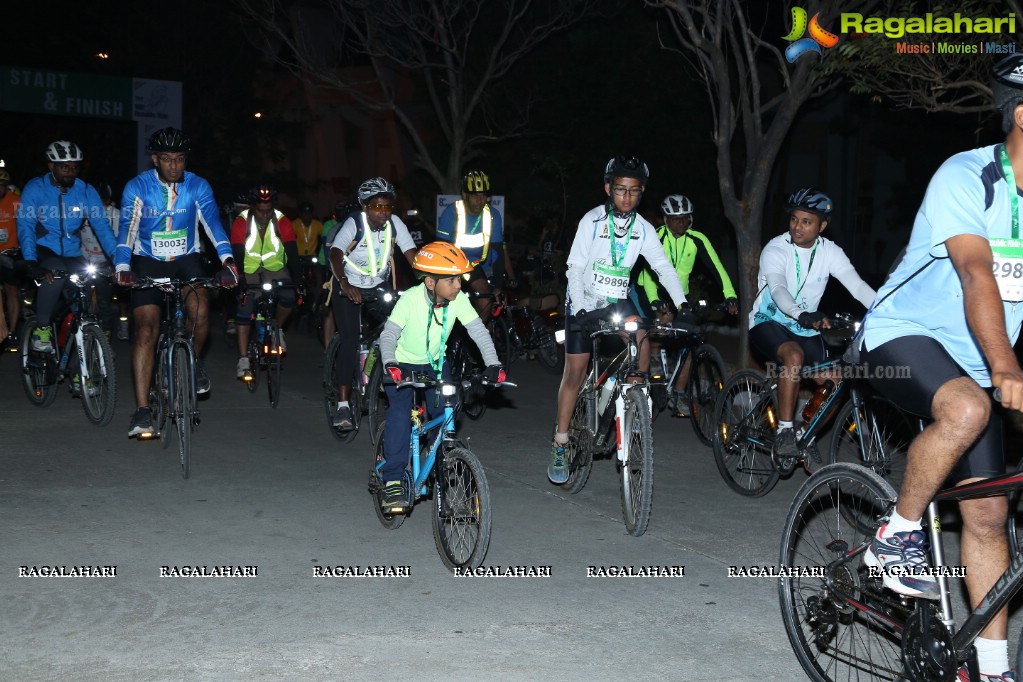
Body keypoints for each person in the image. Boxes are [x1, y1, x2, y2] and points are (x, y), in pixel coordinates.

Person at [856, 55, 1023, 681]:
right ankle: (895, 535)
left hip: (981, 357)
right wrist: (1006, 366)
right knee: (969, 407)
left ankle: (991, 668)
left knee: (988, 515)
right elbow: (976, 272)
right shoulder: (968, 175)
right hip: (903, 335)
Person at [547, 156, 688, 484]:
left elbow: (663, 268)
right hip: (583, 300)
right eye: (621, 190)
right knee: (576, 370)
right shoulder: (592, 221)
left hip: (616, 301)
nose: (626, 197)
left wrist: (683, 303)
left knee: (642, 343)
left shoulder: (643, 229)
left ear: (642, 193)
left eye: (634, 191)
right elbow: (575, 268)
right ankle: (561, 441)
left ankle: (635, 409)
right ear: (609, 188)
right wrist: (581, 309)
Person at [115, 127, 238, 439]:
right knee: (145, 329)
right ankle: (143, 410)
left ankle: (193, 362)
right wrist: (122, 266)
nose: (173, 166)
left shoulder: (198, 186)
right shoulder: (137, 187)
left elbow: (212, 224)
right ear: (155, 159)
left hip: (186, 257)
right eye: (167, 159)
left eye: (179, 160)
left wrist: (227, 261)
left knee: (199, 308)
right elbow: (128, 229)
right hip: (147, 260)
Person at [748, 187, 874, 459]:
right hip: (769, 321)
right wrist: (800, 313)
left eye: (806, 222)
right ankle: (784, 431)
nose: (797, 227)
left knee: (835, 380)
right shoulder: (776, 248)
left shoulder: (831, 252)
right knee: (793, 356)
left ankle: (806, 433)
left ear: (822, 226)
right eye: (794, 219)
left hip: (804, 327)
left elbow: (857, 286)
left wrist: (886, 310)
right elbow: (779, 289)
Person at [377, 242, 504, 510]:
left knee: (447, 413)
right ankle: (393, 480)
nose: (458, 285)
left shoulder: (458, 301)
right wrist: (390, 363)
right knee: (400, 415)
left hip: (434, 364)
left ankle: (439, 461)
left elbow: (478, 332)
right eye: (451, 279)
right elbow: (388, 334)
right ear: (431, 283)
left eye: (460, 278)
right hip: (401, 365)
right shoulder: (410, 299)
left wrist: (493, 364)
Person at [633, 193, 738, 417]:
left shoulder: (697, 238)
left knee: (690, 338)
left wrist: (730, 295)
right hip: (651, 289)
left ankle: (679, 392)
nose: (681, 222)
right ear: (666, 219)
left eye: (685, 218)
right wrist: (654, 301)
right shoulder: (656, 236)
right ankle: (653, 368)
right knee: (662, 326)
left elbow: (716, 267)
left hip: (680, 295)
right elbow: (647, 273)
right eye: (676, 218)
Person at [326, 177, 418, 429]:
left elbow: (412, 255)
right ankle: (343, 406)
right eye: (377, 207)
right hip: (349, 286)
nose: (384, 212)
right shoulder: (354, 223)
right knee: (350, 341)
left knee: (394, 335)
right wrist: (344, 281)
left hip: (378, 286)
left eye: (388, 207)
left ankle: (388, 388)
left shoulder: (395, 224)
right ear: (365, 207)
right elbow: (335, 252)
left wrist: (429, 279)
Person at [17, 141, 117, 353]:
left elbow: (102, 228)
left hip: (73, 252)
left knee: (84, 306)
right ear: (51, 166)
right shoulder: (36, 188)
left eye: (75, 167)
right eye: (65, 167)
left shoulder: (85, 191)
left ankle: (80, 366)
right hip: (44, 249)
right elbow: (25, 225)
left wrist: (120, 261)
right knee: (55, 272)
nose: (71, 172)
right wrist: (30, 260)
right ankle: (42, 329)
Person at [231, 185, 302, 379]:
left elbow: (292, 252)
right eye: (261, 211)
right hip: (249, 269)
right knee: (245, 308)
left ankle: (277, 329)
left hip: (275, 268)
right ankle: (244, 358)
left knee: (288, 296)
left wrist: (298, 280)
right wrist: (241, 278)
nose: (265, 215)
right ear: (253, 208)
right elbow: (237, 251)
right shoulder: (242, 221)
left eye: (269, 210)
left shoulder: (282, 221)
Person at [436, 170, 515, 317]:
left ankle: (486, 333)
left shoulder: (493, 215)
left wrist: (499, 286)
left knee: (494, 304)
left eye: (483, 195)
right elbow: (441, 248)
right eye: (475, 195)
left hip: (485, 266)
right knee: (484, 297)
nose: (480, 200)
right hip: (458, 265)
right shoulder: (451, 212)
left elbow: (498, 250)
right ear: (465, 195)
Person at [0, 168, 21, 343]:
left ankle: (13, 331)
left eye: (2, 185)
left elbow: (27, 225)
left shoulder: (16, 201)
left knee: (11, 290)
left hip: (10, 253)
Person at [292, 201, 323, 294]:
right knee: (295, 274)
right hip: (299, 256)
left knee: (319, 274)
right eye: (304, 213)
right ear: (300, 214)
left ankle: (319, 295)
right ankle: (296, 294)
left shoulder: (317, 224)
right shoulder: (295, 224)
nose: (307, 216)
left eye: (309, 213)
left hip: (312, 256)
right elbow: (291, 241)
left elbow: (323, 239)